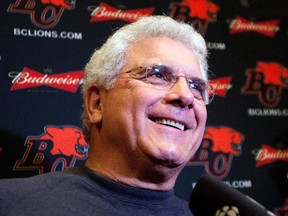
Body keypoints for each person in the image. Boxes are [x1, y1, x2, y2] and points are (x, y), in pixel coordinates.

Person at [0, 15, 214, 215]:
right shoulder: (9, 203)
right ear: (97, 103)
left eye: (197, 87)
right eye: (157, 75)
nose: (185, 95)